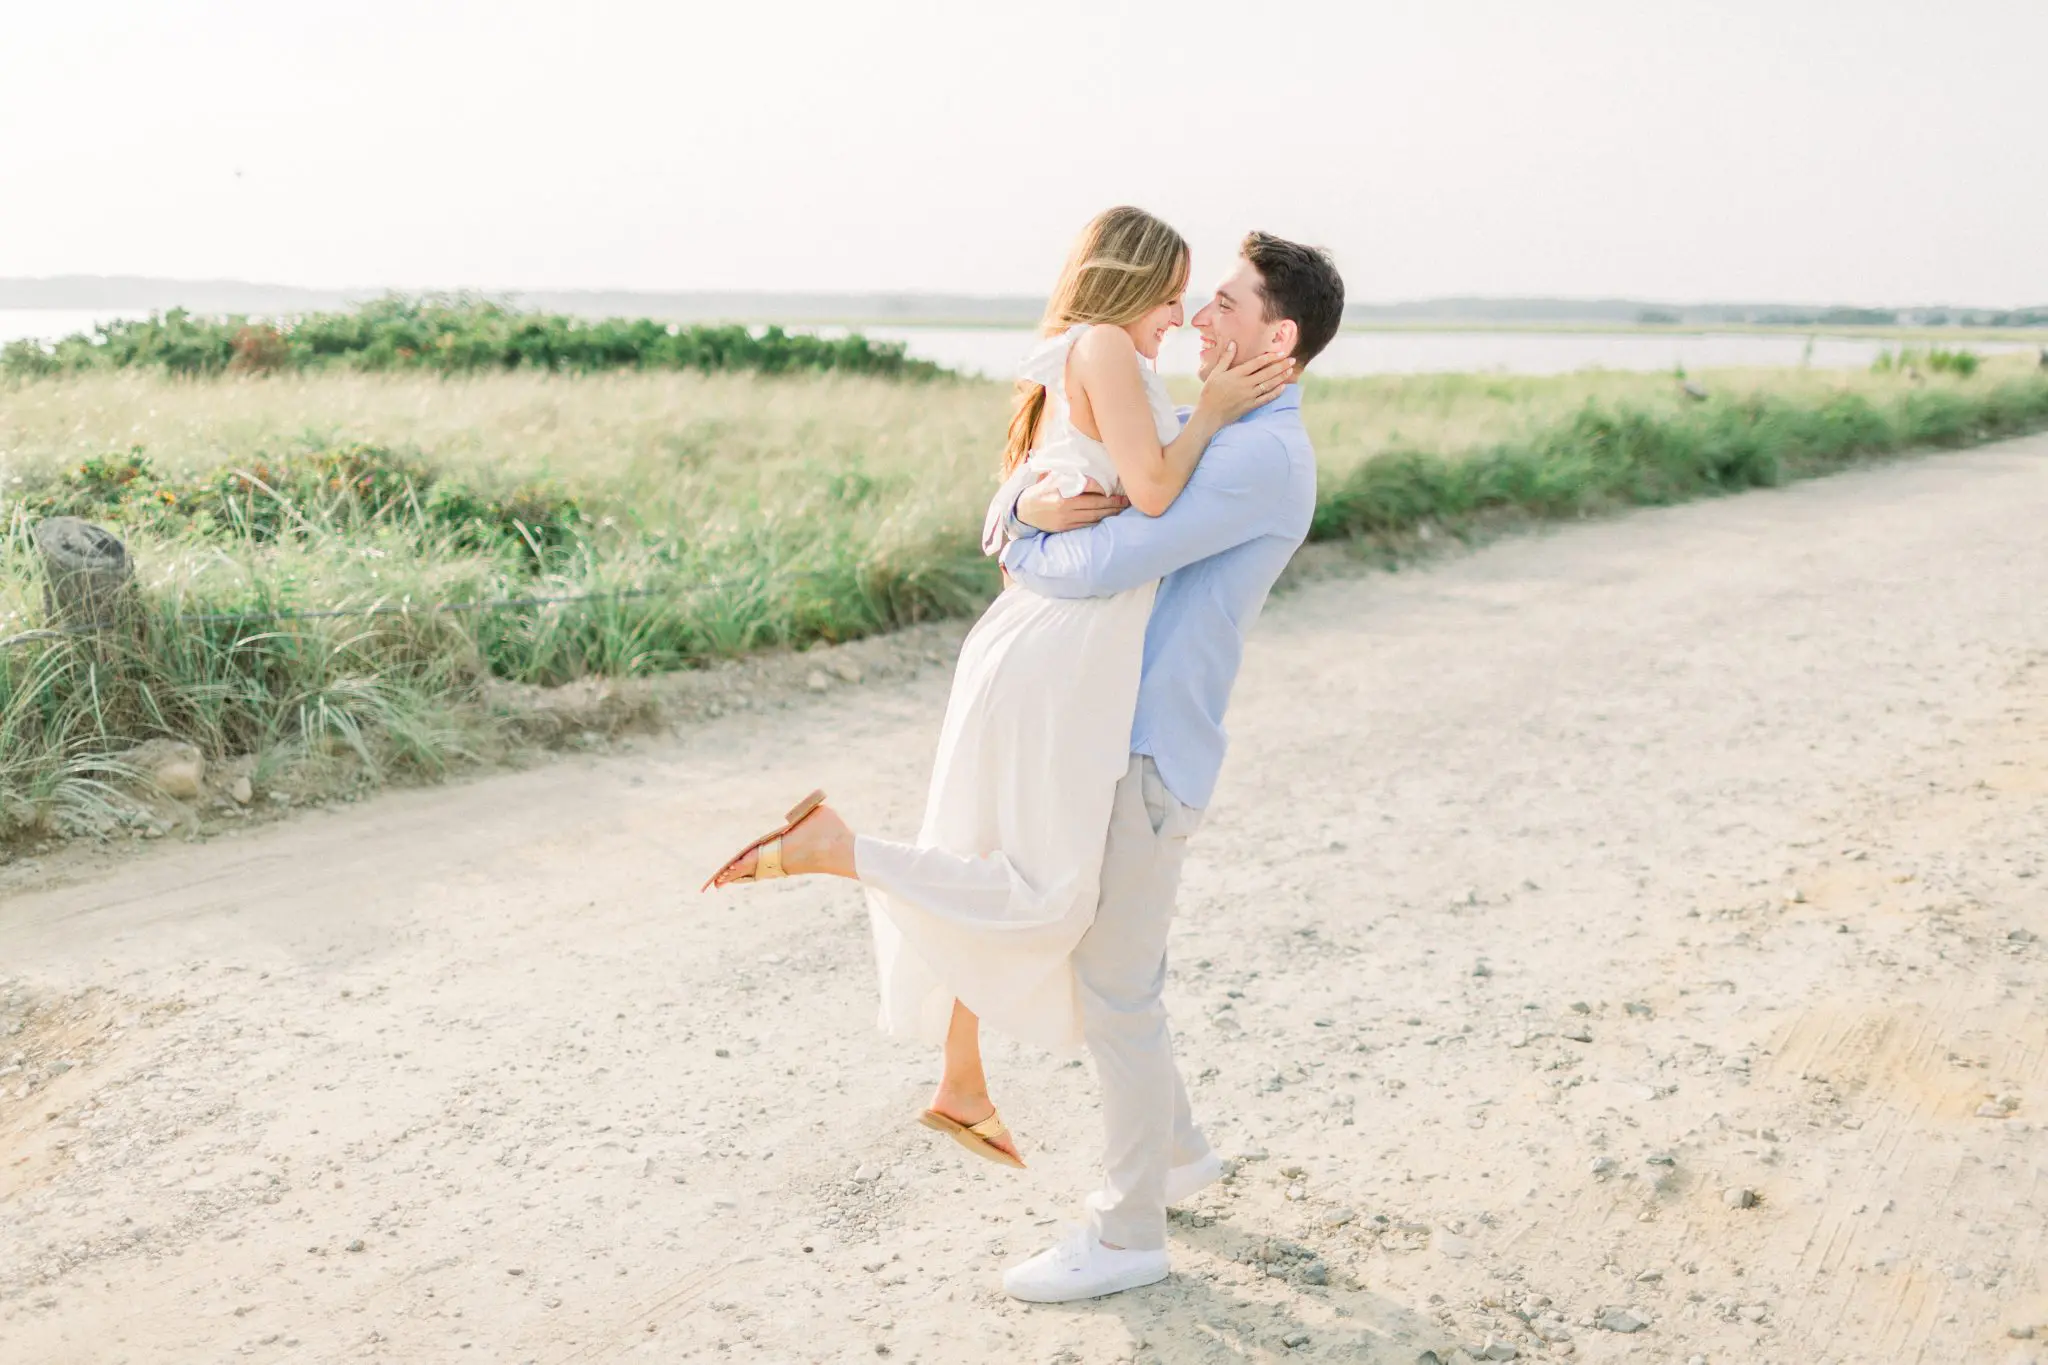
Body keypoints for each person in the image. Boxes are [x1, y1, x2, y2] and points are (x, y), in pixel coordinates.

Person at [702, 206, 1290, 1175]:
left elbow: (1046, 484)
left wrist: (1024, 502)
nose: (1176, 322)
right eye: (1170, 297)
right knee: (1049, 894)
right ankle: (834, 848)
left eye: (1192, 302)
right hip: (1060, 652)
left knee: (986, 852)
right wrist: (1217, 413)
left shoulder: (1095, 360)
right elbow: (1149, 491)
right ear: (1127, 283)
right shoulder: (1102, 343)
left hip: (1047, 647)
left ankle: (962, 1081)